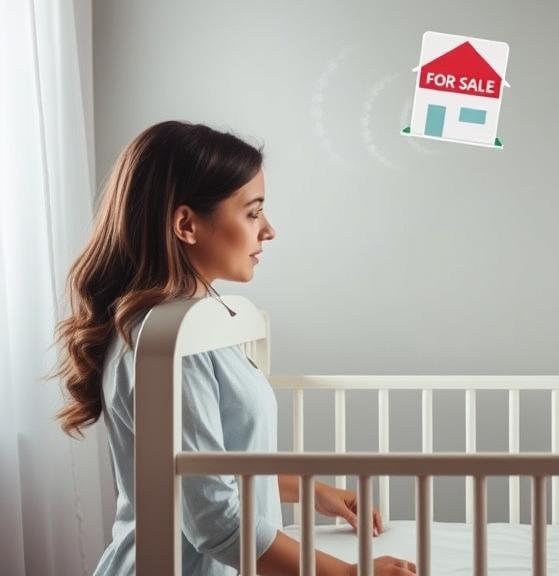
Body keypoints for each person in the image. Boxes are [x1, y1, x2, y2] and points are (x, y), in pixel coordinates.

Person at [49, 120, 417, 575]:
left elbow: (204, 471)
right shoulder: (168, 344)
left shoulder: (199, 325)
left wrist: (308, 490)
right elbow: (215, 520)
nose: (269, 230)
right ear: (186, 224)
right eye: (252, 212)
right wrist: (350, 573)